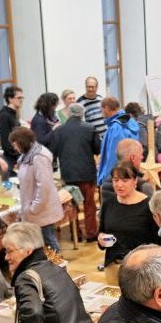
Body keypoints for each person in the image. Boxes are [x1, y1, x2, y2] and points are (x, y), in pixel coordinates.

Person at [3, 222, 92, 323]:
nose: (6, 257)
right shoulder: (55, 268)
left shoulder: (26, 278)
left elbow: (32, 313)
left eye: (10, 251)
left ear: (28, 250)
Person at [98, 162, 160, 284]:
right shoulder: (108, 203)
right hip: (113, 266)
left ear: (135, 181)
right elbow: (102, 232)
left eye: (125, 180)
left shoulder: (148, 205)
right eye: (115, 180)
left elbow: (157, 242)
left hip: (140, 269)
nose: (119, 185)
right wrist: (101, 240)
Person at [49, 101, 101, 240]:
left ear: (68, 113)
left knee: (72, 206)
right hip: (87, 174)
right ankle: (91, 234)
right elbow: (98, 149)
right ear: (82, 114)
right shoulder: (90, 128)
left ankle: (75, 234)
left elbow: (53, 151)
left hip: (68, 174)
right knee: (89, 204)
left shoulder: (59, 130)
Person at [9, 127, 64, 253]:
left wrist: (34, 207)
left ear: (21, 142)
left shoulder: (39, 157)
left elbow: (44, 186)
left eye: (15, 145)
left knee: (49, 243)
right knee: (41, 245)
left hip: (42, 211)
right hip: (35, 212)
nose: (14, 148)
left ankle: (58, 270)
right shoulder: (27, 155)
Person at [97, 96, 140, 187]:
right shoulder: (130, 122)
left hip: (117, 178)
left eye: (101, 110)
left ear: (107, 108)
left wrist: (104, 179)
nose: (102, 113)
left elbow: (113, 156)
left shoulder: (115, 128)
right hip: (130, 173)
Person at [0, 85, 24, 173]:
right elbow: (6, 142)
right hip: (12, 159)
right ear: (10, 99)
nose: (21, 100)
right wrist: (17, 158)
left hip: (17, 156)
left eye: (22, 98)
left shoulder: (13, 114)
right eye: (19, 97)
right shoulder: (5, 116)